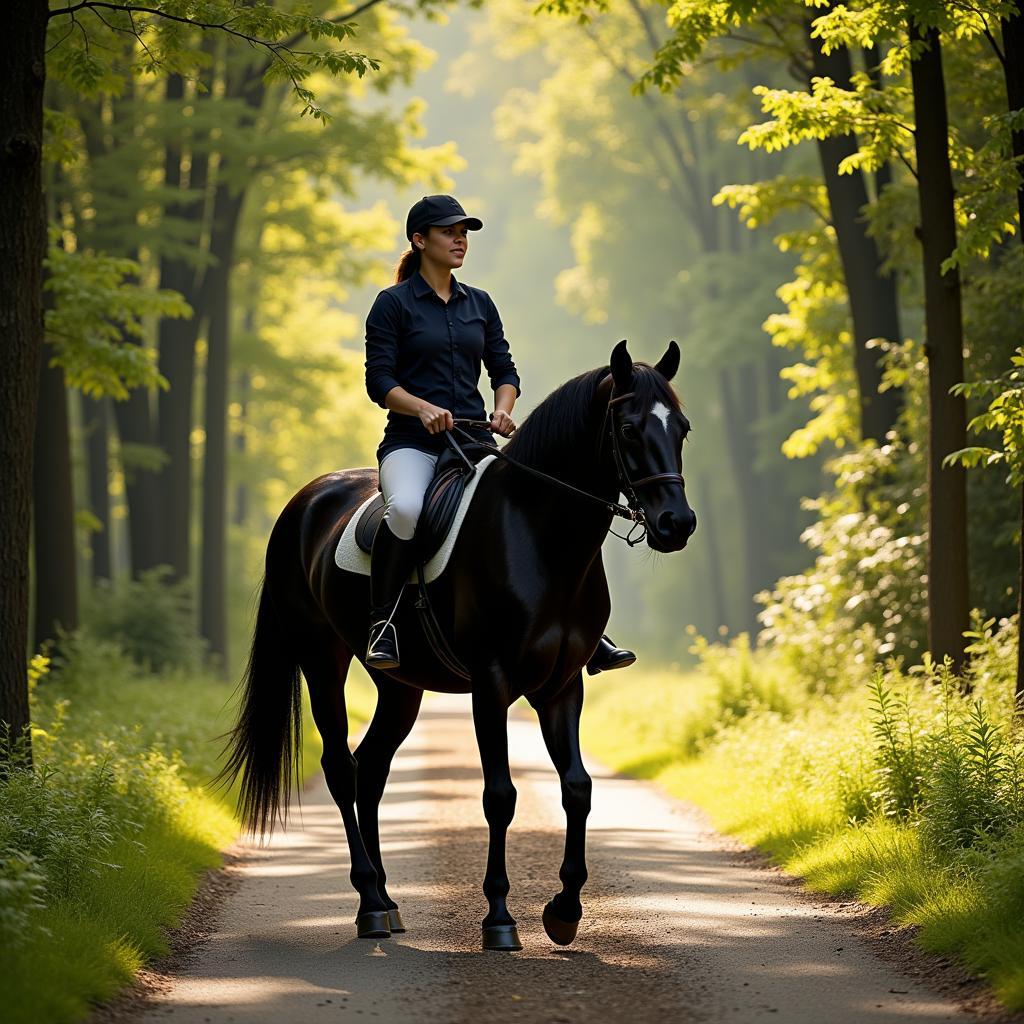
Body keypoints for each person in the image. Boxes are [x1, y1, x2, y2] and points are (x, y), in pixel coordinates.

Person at [362, 194, 636, 675]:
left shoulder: (480, 304)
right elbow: (379, 382)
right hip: (414, 443)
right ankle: (382, 623)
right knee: (405, 508)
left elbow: (504, 370)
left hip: (474, 443)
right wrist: (423, 408)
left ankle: (587, 630)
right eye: (449, 232)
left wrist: (503, 411)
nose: (460, 239)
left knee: (545, 507)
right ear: (419, 240)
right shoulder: (392, 305)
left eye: (464, 232)